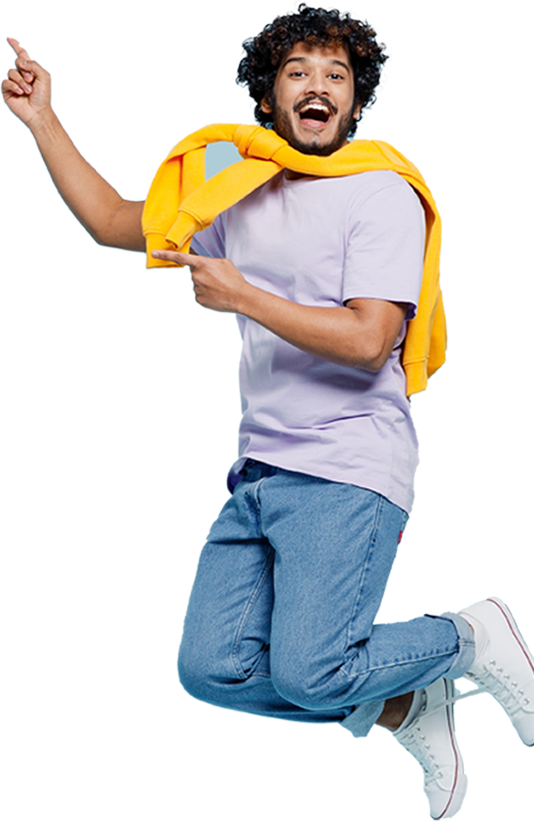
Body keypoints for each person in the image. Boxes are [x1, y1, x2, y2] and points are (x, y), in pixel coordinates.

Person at [3, 5, 534, 818]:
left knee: (313, 669)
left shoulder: (380, 192)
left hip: (348, 464)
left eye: (337, 75)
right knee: (211, 667)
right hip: (260, 470)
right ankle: (400, 705)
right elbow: (112, 220)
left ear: (354, 102)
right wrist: (42, 119)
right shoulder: (239, 198)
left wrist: (244, 294)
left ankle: (471, 636)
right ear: (268, 97)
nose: (319, 85)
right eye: (299, 72)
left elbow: (370, 341)